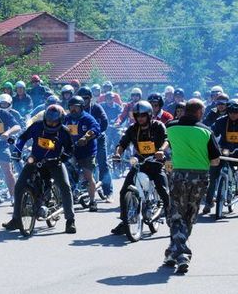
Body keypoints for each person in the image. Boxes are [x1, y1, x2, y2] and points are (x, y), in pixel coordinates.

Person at [164, 99, 220, 273]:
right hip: (200, 177)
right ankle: (182, 254)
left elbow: (170, 145)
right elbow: (216, 160)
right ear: (199, 113)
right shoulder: (206, 131)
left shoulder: (171, 127)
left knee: (176, 215)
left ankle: (174, 252)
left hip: (179, 175)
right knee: (190, 215)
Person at [2, 105, 77, 234]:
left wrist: (62, 158)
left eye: (54, 121)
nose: (50, 123)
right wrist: (17, 151)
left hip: (55, 162)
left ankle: (70, 220)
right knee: (19, 185)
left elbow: (70, 148)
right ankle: (15, 219)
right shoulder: (36, 126)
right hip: (35, 160)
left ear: (60, 120)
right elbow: (23, 138)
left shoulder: (64, 131)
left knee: (65, 187)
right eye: (48, 120)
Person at [110, 101, 170, 235]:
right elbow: (122, 143)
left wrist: (161, 150)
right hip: (139, 163)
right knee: (124, 191)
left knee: (162, 189)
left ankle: (172, 217)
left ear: (149, 115)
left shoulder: (158, 126)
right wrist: (117, 154)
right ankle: (125, 219)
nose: (140, 118)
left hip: (156, 163)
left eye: (143, 115)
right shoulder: (132, 129)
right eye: (137, 115)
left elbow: (167, 140)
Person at [64, 96, 101, 211]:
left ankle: (92, 201)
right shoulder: (67, 118)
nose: (73, 109)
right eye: (71, 107)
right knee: (64, 172)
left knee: (87, 175)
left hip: (86, 152)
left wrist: (86, 137)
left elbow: (96, 129)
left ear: (81, 107)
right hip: (71, 151)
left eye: (75, 107)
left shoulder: (88, 118)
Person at [77, 86, 113, 201]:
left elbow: (105, 122)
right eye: (81, 99)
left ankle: (108, 192)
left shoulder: (96, 108)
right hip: (82, 141)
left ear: (90, 98)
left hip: (98, 139)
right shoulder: (76, 111)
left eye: (86, 98)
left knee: (103, 163)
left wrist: (96, 134)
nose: (84, 101)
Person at [202, 99, 238, 214]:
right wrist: (211, 148)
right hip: (223, 151)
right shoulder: (220, 121)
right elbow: (212, 135)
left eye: (236, 112)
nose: (233, 114)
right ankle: (208, 203)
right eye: (231, 111)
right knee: (213, 176)